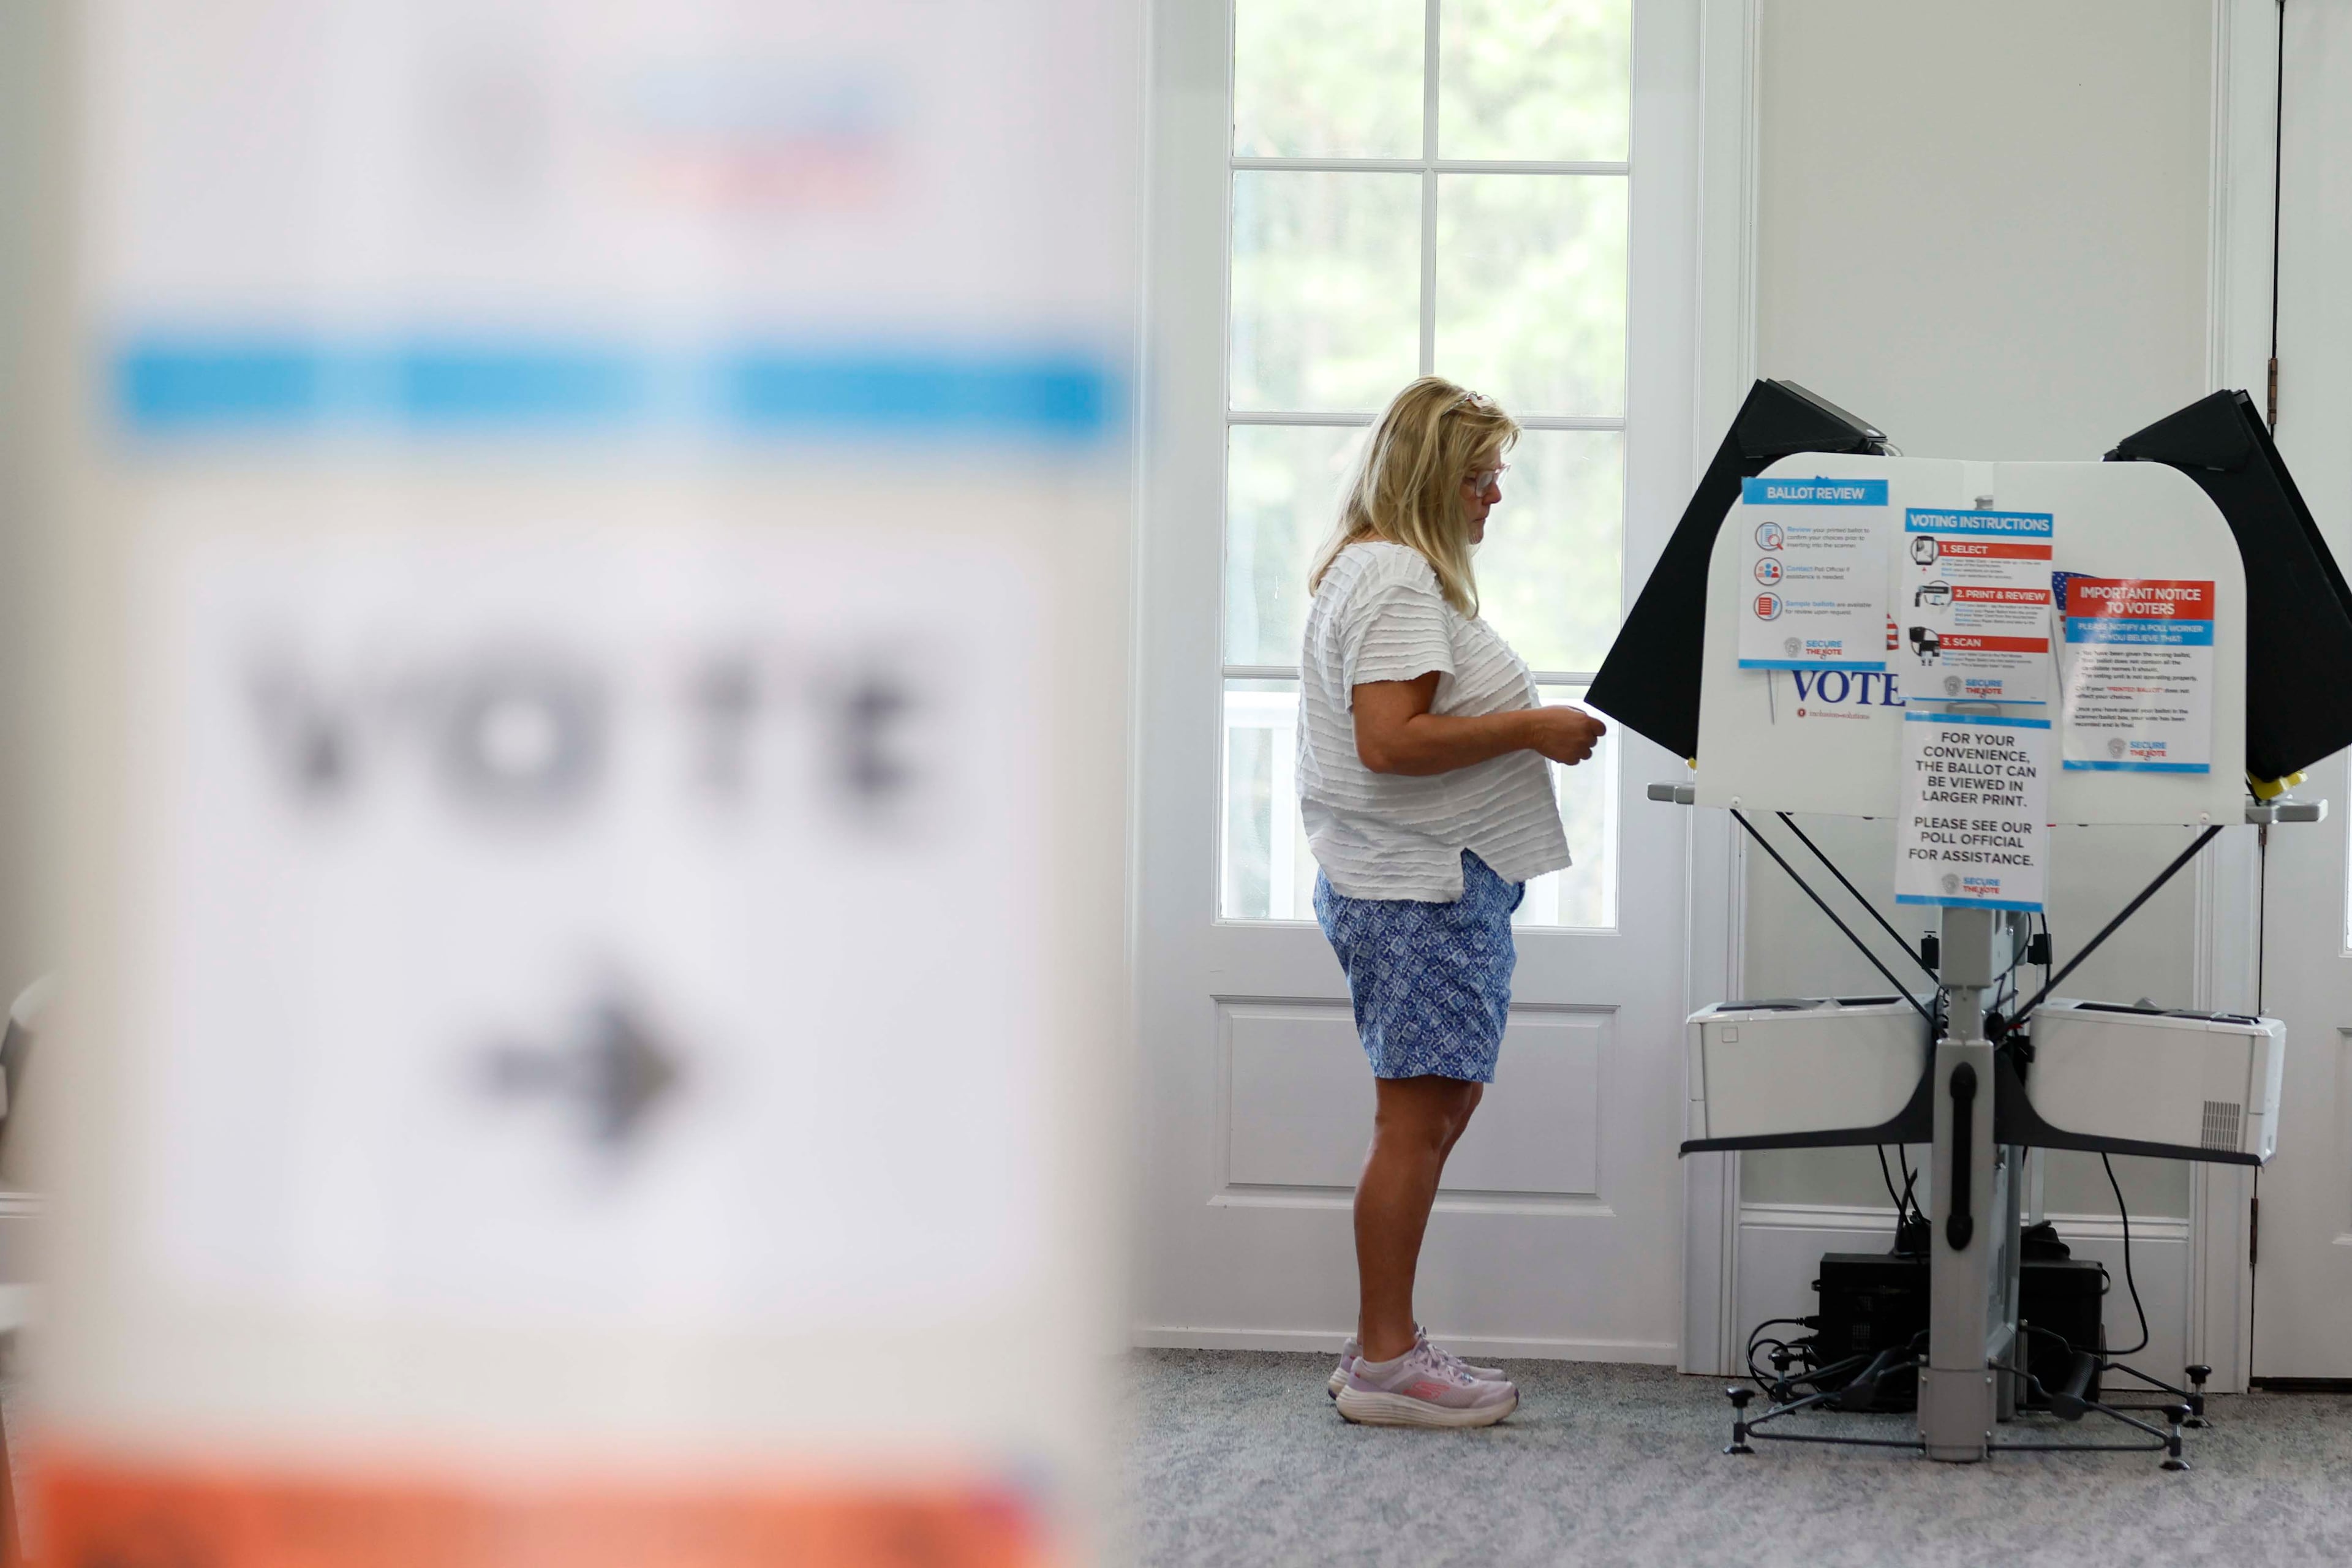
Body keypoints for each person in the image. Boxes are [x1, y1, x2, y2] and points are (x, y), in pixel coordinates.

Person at [1298, 377, 1607, 1428]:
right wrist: (1533, 728)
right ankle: (1388, 1363)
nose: (1495, 498)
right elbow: (1391, 744)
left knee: (1431, 1113)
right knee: (1416, 1124)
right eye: (1481, 478)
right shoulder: (1392, 579)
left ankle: (1384, 1344)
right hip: (1416, 888)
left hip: (1420, 884)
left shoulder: (1378, 570)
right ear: (1435, 480)